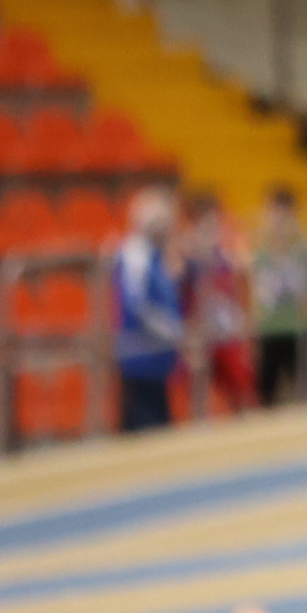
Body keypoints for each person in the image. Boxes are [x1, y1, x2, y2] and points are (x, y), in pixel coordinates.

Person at [111, 186, 185, 433]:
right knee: (145, 430)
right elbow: (136, 304)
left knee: (159, 428)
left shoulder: (155, 254)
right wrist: (171, 330)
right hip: (141, 360)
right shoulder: (136, 254)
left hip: (157, 361)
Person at [184, 191, 256, 413]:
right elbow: (185, 298)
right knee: (201, 398)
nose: (214, 226)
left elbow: (238, 291)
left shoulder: (226, 252)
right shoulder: (187, 255)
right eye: (208, 222)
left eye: (216, 221)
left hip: (227, 333)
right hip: (202, 335)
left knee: (241, 391)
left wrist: (244, 323)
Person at [250, 187, 307, 407]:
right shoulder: (258, 252)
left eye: (284, 216)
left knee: (303, 392)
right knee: (267, 392)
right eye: (274, 215)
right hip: (269, 329)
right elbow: (254, 294)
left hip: (297, 329)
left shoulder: (303, 250)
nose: (279, 222)